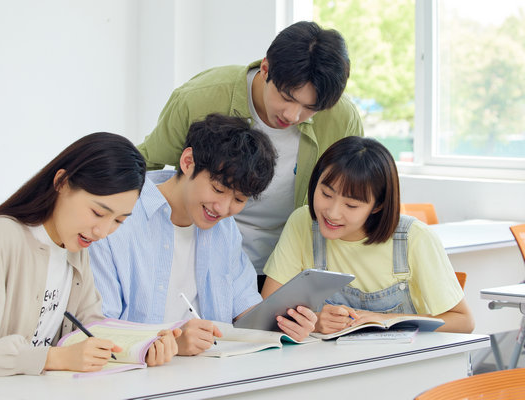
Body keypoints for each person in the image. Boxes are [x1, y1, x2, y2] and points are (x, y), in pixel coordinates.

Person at [0, 133, 180, 377]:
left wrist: (143, 346)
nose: (103, 231)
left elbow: (91, 327)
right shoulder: (1, 236)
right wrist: (54, 357)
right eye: (98, 213)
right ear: (61, 182)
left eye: (119, 220)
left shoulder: (75, 250)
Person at [137, 21, 364, 286]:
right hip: (201, 257)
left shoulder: (340, 118)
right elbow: (145, 166)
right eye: (287, 97)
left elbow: (356, 189)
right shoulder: (199, 98)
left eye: (309, 108)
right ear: (266, 68)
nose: (292, 115)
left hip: (288, 266)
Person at [91, 114, 317, 356]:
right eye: (218, 189)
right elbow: (99, 330)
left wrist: (286, 325)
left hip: (211, 373)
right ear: (188, 162)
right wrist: (173, 344)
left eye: (239, 199)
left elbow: (247, 309)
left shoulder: (225, 229)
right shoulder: (120, 218)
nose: (222, 208)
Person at [261, 136, 475, 334]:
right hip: (326, 364)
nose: (332, 213)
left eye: (351, 205)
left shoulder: (414, 238)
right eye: (326, 194)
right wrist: (316, 322)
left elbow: (464, 321)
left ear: (377, 206)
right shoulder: (303, 223)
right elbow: (265, 314)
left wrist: (384, 319)